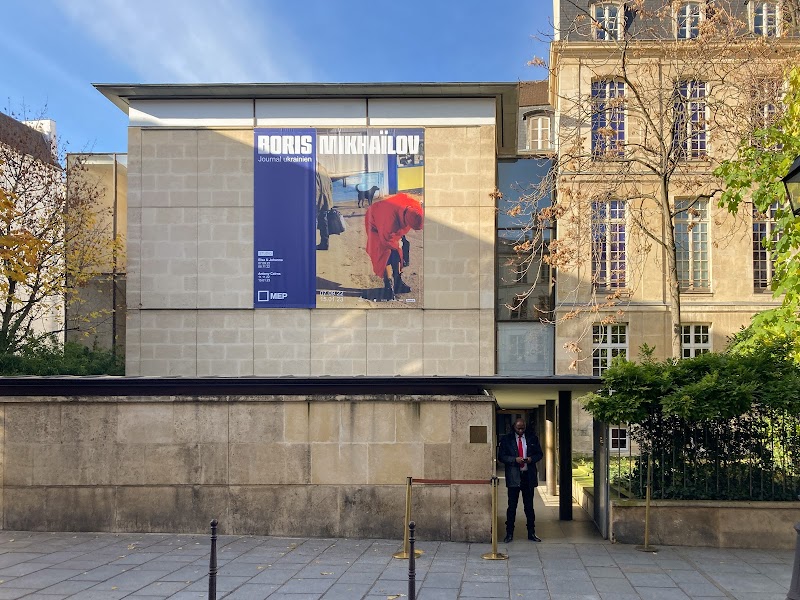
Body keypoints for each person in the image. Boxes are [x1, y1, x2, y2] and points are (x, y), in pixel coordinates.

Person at [364, 193, 423, 300]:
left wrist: (399, 243)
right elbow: (386, 241)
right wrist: (397, 244)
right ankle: (388, 285)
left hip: (394, 216)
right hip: (374, 220)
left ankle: (398, 283)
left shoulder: (415, 207)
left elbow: (404, 196)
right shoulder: (389, 221)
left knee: (399, 250)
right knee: (385, 253)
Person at [497, 418, 544, 543]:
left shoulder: (532, 438)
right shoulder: (507, 439)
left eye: (523, 428)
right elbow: (501, 456)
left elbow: (539, 454)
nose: (521, 430)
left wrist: (531, 459)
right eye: (519, 428)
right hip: (514, 476)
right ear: (514, 427)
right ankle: (509, 533)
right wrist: (514, 459)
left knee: (529, 507)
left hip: (528, 476)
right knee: (512, 506)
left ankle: (531, 532)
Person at [316, 163, 334, 250]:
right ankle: (325, 243)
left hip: (320, 201)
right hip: (326, 199)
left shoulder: (314, 172)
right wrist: (329, 197)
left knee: (321, 222)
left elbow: (316, 190)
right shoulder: (323, 169)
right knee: (324, 222)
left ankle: (323, 244)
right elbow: (330, 185)